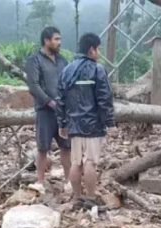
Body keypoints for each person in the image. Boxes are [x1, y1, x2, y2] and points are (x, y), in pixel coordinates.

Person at [57, 33, 116, 201]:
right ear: (92, 49)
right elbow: (104, 99)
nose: (98, 53)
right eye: (98, 49)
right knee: (90, 162)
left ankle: (77, 196)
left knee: (76, 162)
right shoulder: (97, 69)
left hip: (74, 124)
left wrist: (62, 123)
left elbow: (60, 99)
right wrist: (110, 123)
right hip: (93, 125)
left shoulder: (67, 70)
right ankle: (90, 197)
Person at [25, 26, 69, 189]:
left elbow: (68, 82)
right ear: (46, 40)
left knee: (66, 146)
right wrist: (50, 102)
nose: (59, 42)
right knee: (43, 147)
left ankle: (68, 180)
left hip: (63, 111)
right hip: (45, 111)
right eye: (56, 39)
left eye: (59, 39)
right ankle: (40, 181)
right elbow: (33, 85)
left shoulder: (63, 61)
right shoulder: (34, 60)